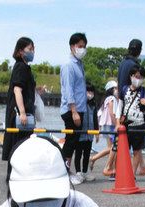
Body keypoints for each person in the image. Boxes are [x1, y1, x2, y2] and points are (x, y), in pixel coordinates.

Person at [2, 36, 37, 179]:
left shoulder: (23, 67)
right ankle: (14, 176)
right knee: (19, 145)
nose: (33, 52)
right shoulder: (21, 67)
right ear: (21, 51)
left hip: (20, 112)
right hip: (19, 114)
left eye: (33, 49)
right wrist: (22, 112)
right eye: (30, 49)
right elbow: (17, 90)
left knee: (19, 144)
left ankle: (16, 175)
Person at [118, 65, 145, 176]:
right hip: (125, 124)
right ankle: (122, 172)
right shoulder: (124, 90)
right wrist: (117, 122)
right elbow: (119, 106)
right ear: (131, 76)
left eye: (141, 77)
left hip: (139, 125)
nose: (138, 79)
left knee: (136, 150)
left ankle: (132, 174)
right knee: (123, 150)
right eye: (136, 76)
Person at [60, 33, 88, 186]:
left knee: (74, 141)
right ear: (72, 47)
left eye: (84, 46)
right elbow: (68, 89)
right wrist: (74, 111)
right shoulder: (68, 65)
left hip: (79, 108)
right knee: (70, 141)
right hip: (72, 109)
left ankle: (67, 171)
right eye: (80, 46)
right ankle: (64, 173)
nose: (82, 49)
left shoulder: (79, 64)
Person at [90, 80, 119, 177]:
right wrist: (116, 124)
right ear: (111, 90)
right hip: (110, 125)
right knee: (113, 148)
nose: (117, 90)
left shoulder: (106, 99)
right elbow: (111, 113)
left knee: (111, 148)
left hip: (106, 124)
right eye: (115, 88)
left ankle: (110, 167)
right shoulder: (111, 98)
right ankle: (107, 166)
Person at [73, 83, 98, 183]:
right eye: (88, 91)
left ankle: (85, 172)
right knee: (78, 153)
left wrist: (96, 132)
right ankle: (78, 172)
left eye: (91, 92)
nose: (90, 94)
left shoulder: (93, 105)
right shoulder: (79, 103)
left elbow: (95, 119)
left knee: (87, 154)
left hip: (90, 133)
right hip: (80, 133)